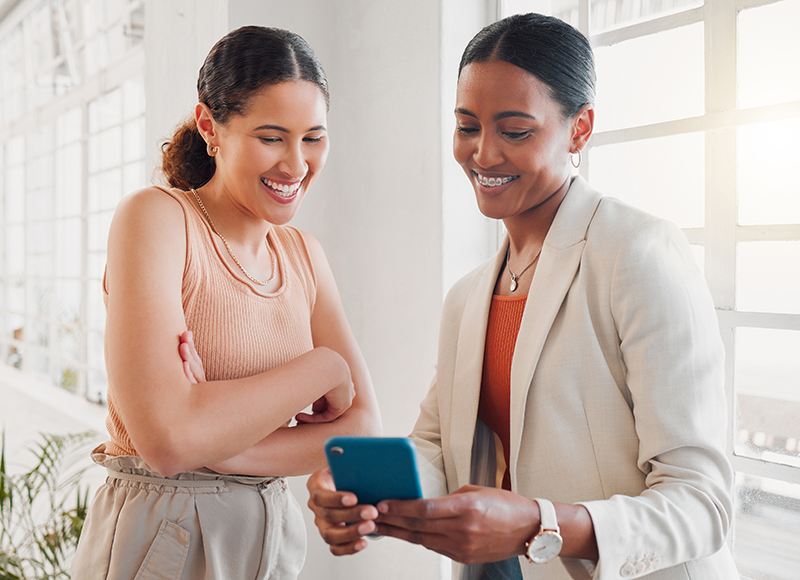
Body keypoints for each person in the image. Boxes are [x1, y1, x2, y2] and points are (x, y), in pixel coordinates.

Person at [306, 13, 738, 580]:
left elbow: (702, 503)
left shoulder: (637, 253)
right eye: (467, 127)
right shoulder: (468, 297)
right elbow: (436, 448)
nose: (483, 155)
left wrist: (541, 525)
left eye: (515, 131)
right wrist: (360, 490)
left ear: (579, 129)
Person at [72, 26, 381, 580]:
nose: (295, 165)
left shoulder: (303, 254)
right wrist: (321, 367)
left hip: (270, 535)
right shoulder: (158, 219)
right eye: (271, 137)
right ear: (211, 128)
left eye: (313, 137)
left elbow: (360, 432)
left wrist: (220, 445)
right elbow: (167, 443)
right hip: (164, 534)